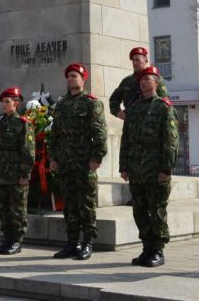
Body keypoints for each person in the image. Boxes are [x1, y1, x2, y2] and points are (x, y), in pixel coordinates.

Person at [119, 66, 179, 268]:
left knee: (157, 211)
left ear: (156, 83)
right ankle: (147, 248)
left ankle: (158, 250)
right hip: (137, 170)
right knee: (140, 211)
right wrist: (124, 166)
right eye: (142, 79)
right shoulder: (133, 109)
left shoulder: (164, 107)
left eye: (149, 79)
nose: (144, 82)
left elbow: (170, 141)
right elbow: (126, 139)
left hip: (156, 170)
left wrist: (166, 169)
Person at [48, 63, 107, 260]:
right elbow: (55, 134)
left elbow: (99, 132)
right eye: (69, 76)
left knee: (86, 204)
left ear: (83, 79)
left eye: (75, 76)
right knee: (70, 205)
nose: (71, 79)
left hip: (83, 161)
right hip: (65, 161)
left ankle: (88, 242)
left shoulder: (92, 103)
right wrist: (53, 157)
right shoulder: (62, 104)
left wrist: (96, 157)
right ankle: (72, 243)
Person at [0, 87, 35, 255]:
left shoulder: (23, 124)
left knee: (17, 210)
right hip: (0, 174)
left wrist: (25, 174)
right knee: (3, 209)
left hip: (15, 176)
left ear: (16, 103)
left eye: (8, 102)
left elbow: (28, 152)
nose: (4, 105)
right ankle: (7, 238)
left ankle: (17, 241)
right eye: (3, 102)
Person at [110, 47, 168, 120]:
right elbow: (113, 99)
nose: (134, 63)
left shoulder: (155, 79)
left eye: (137, 60)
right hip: (131, 125)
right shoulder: (127, 81)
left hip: (151, 124)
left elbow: (164, 102)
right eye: (133, 60)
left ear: (146, 60)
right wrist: (118, 113)